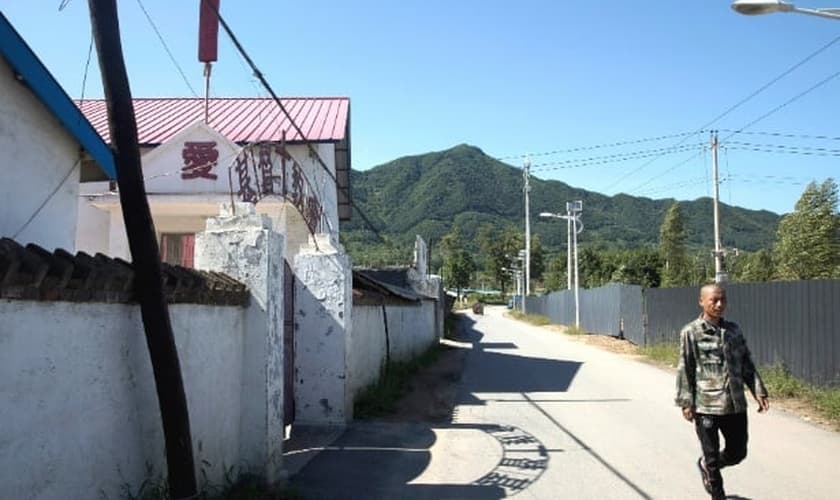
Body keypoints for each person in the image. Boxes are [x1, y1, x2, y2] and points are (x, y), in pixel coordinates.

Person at [675, 283, 770, 500]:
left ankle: (708, 466)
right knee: (711, 456)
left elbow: (746, 363)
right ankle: (717, 492)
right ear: (702, 302)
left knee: (738, 452)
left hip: (735, 404)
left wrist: (758, 391)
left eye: (723, 300)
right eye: (714, 300)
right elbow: (685, 367)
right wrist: (686, 402)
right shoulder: (691, 332)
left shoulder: (734, 330)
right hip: (706, 405)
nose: (719, 304)